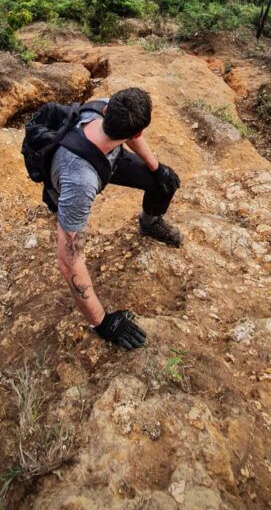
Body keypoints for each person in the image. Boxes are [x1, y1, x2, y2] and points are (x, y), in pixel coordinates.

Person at [47, 87, 182, 350]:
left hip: (107, 158)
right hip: (77, 171)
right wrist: (102, 321)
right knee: (69, 221)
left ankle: (150, 223)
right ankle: (55, 204)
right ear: (138, 132)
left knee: (163, 183)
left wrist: (157, 168)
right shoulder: (80, 183)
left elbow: (128, 137)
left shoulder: (105, 106)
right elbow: (68, 262)